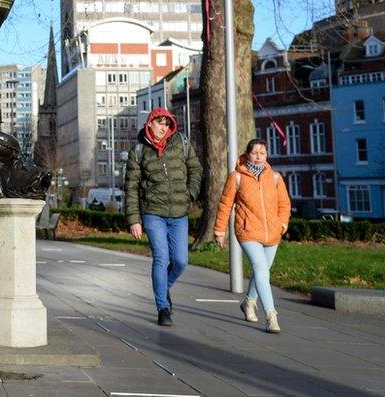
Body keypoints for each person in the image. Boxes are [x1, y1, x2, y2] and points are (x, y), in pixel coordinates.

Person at [124, 107, 202, 327]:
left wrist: (190, 194)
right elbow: (130, 187)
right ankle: (163, 308)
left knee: (181, 261)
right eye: (160, 123)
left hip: (179, 213)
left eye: (167, 124)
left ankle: (163, 287)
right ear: (150, 123)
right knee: (161, 257)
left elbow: (196, 170)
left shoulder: (182, 144)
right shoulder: (139, 151)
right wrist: (134, 219)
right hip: (153, 213)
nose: (163, 128)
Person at [215, 138, 291, 334]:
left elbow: (284, 204)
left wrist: (282, 224)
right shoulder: (237, 177)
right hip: (248, 231)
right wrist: (219, 230)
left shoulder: (275, 177)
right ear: (247, 154)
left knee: (262, 272)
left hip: (272, 233)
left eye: (262, 153)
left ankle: (249, 302)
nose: (258, 156)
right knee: (261, 269)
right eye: (255, 152)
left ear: (267, 155)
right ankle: (271, 315)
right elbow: (225, 205)